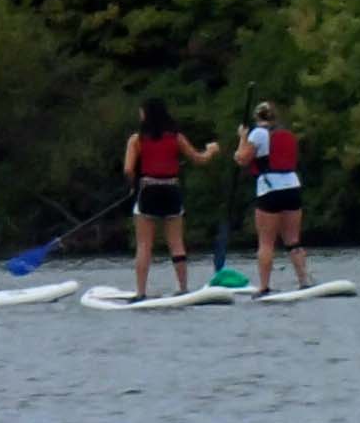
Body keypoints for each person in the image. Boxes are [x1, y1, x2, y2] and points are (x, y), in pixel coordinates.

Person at [120, 102, 224, 299]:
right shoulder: (176, 137)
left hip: (148, 190)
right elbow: (199, 159)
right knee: (176, 242)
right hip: (171, 190)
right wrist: (211, 150)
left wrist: (133, 185)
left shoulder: (137, 139)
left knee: (144, 245)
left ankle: (141, 292)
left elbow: (127, 169)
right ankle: (183, 288)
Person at [236, 101, 312, 295]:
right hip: (292, 186)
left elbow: (241, 158)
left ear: (257, 117)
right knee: (293, 240)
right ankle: (304, 280)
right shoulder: (286, 134)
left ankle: (264, 286)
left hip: (269, 189)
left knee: (266, 242)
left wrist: (242, 138)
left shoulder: (258, 133)